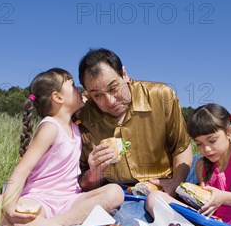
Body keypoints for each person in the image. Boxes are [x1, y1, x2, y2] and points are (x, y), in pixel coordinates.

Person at [1, 68, 124, 226]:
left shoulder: (75, 127)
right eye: (73, 85)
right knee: (3, 209)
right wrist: (9, 204)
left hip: (70, 200)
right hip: (41, 199)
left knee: (115, 192)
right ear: (57, 97)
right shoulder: (50, 127)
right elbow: (23, 169)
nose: (79, 89)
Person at [76, 48, 193, 195]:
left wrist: (175, 184)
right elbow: (80, 182)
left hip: (163, 185)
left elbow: (181, 147)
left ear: (124, 74)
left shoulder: (162, 96)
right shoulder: (82, 117)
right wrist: (93, 175)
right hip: (116, 193)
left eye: (113, 88)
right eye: (97, 95)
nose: (110, 101)